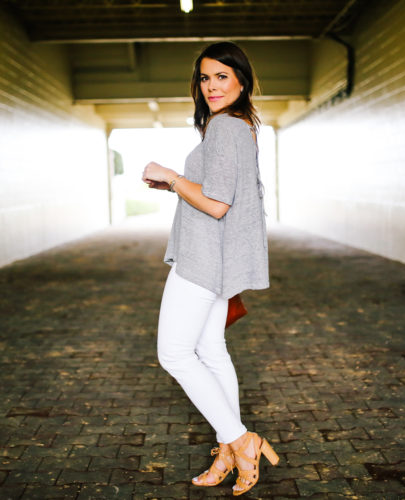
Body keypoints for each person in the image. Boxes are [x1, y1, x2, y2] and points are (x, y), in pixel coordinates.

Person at [141, 41, 278, 496]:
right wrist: (175, 187)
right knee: (211, 350)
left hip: (202, 260)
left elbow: (218, 205)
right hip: (216, 259)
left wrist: (171, 174)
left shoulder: (224, 129)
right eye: (205, 77)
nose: (212, 86)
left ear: (242, 79)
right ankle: (227, 446)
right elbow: (223, 195)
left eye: (222, 76)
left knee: (174, 354)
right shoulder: (239, 127)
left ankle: (241, 441)